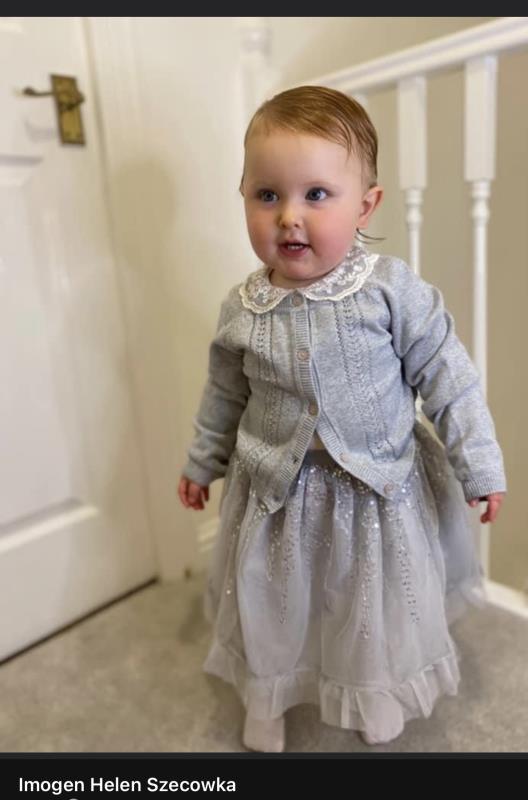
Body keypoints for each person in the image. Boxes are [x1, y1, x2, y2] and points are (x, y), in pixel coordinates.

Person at [178, 85, 506, 752]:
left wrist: (479, 463)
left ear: (365, 205)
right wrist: (202, 461)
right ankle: (267, 697)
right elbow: (223, 396)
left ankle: (373, 692)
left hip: (374, 491)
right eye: (266, 195)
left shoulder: (390, 291)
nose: (289, 217)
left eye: (316, 194)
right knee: (275, 604)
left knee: (368, 607)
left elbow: (450, 378)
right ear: (243, 196)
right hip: (277, 496)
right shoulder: (242, 308)